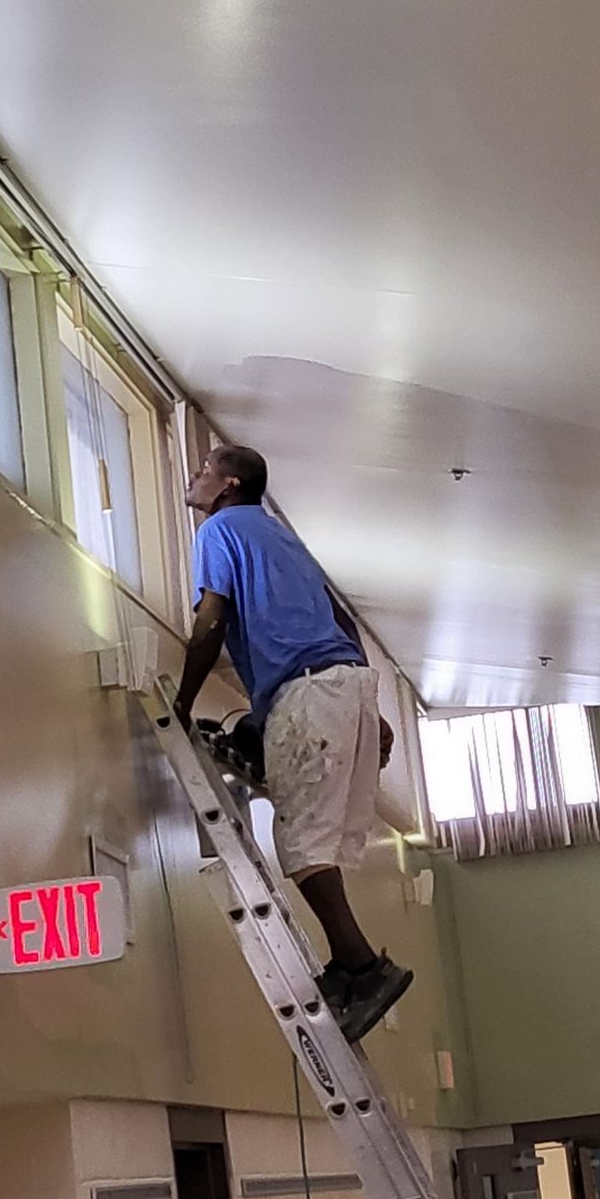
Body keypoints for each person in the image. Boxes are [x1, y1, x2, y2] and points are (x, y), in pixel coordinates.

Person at [174, 444, 412, 1042]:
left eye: (203, 470)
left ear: (228, 485)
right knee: (316, 831)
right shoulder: (282, 538)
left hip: (308, 690)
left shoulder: (219, 529)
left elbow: (211, 619)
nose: (194, 477)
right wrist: (371, 710)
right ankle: (348, 963)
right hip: (344, 685)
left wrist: (181, 701)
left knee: (300, 846)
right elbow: (341, 620)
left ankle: (361, 967)